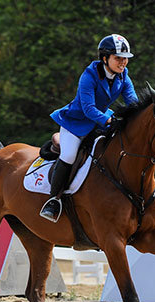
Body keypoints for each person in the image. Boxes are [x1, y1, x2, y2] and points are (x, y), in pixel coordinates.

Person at [40, 34, 139, 222]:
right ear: (105, 58)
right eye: (118, 58)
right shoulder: (89, 75)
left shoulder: (124, 76)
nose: (123, 62)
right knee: (69, 156)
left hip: (99, 120)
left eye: (125, 58)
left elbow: (132, 101)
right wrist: (109, 121)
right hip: (76, 122)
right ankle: (53, 200)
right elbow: (88, 108)